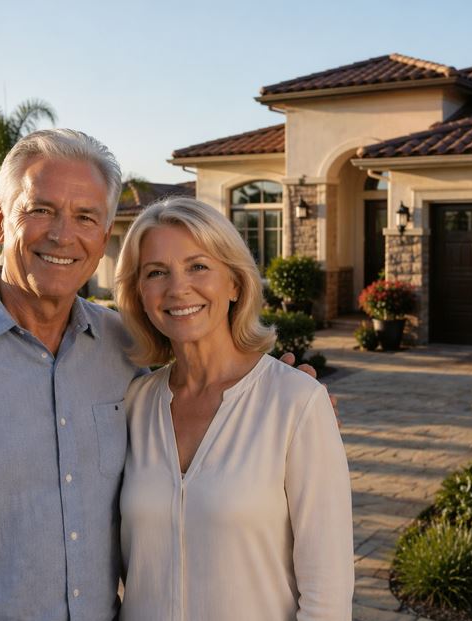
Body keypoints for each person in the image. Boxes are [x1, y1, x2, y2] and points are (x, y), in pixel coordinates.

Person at [0, 129, 332, 620]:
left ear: (103, 235)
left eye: (85, 216)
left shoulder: (124, 350)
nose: (62, 234)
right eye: (41, 210)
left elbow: (212, 382)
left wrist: (285, 397)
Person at [114, 197, 354, 620]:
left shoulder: (296, 401)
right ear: (139, 293)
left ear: (235, 284)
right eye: (156, 273)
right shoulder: (134, 404)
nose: (177, 287)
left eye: (198, 266)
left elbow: (328, 596)